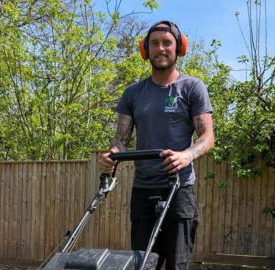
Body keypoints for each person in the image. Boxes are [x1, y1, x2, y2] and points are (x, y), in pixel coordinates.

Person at [98, 20, 215, 269]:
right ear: (145, 49)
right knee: (142, 264)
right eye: (154, 43)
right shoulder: (133, 93)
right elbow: (121, 139)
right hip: (143, 190)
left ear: (179, 48)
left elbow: (207, 138)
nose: (160, 48)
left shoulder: (193, 87)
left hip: (179, 188)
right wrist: (112, 156)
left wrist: (187, 155)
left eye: (166, 43)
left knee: (177, 264)